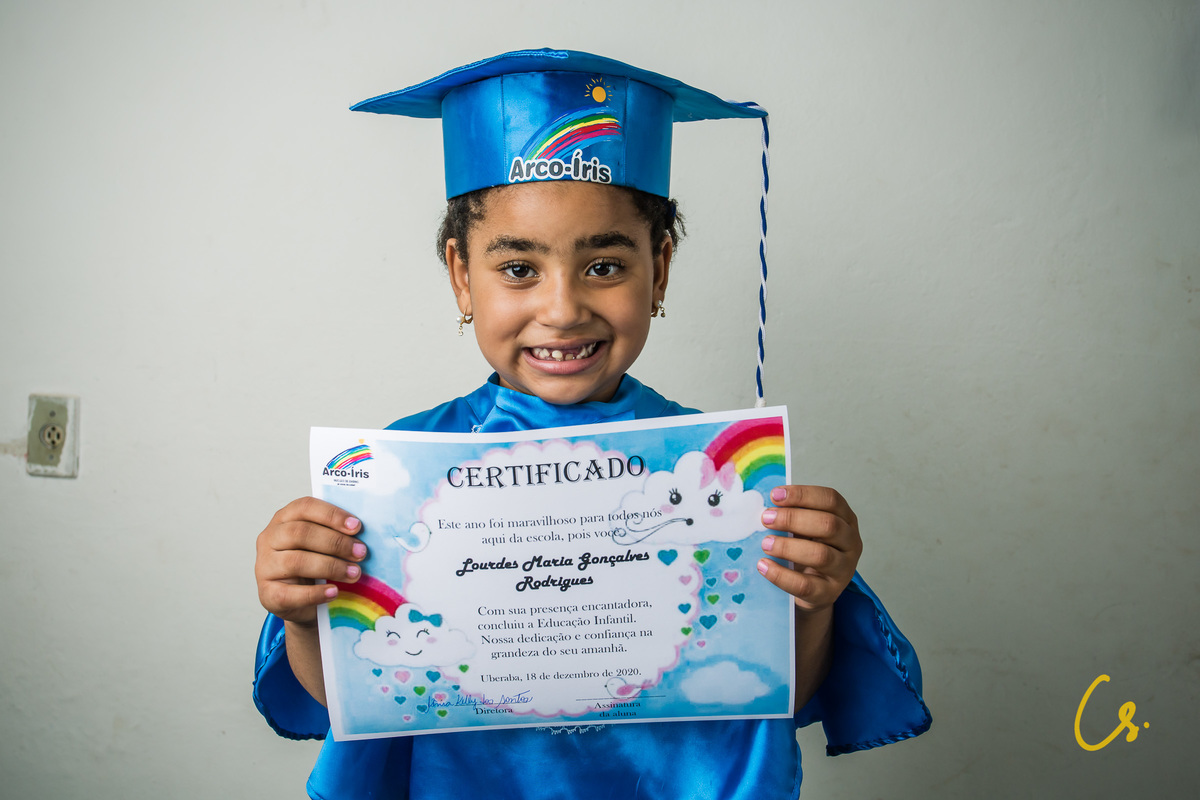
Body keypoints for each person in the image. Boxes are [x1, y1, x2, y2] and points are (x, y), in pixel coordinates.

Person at [254, 48, 930, 799]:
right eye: (518, 270)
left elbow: (782, 695)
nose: (564, 308)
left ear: (659, 269)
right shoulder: (392, 479)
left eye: (604, 266)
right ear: (460, 275)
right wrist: (306, 610)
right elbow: (345, 699)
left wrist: (812, 595)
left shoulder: (721, 480)